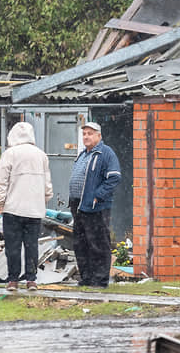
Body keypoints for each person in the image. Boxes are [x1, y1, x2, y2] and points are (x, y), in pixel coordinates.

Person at [0, 122, 52, 292]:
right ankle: (31, 280)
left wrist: (0, 202)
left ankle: (13, 280)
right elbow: (47, 185)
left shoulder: (10, 154)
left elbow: (1, 180)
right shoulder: (41, 155)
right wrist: (44, 200)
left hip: (13, 209)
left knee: (13, 246)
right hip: (34, 210)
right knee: (31, 245)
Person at [69, 121, 121, 288]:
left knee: (98, 243)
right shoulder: (83, 154)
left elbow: (114, 178)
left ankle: (100, 280)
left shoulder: (106, 153)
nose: (86, 137)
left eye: (90, 133)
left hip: (96, 206)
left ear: (99, 135)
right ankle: (86, 278)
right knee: (80, 244)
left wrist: (97, 196)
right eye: (84, 134)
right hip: (79, 205)